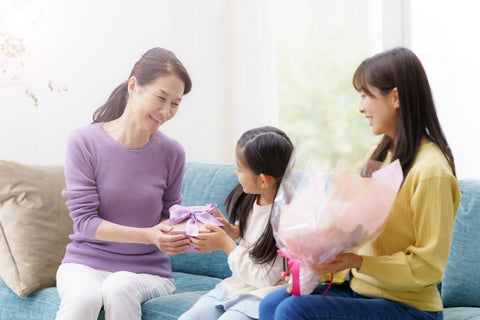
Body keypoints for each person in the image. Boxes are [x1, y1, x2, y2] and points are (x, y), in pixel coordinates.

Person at [259, 47, 461, 320]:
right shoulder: (379, 156)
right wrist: (320, 246)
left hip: (410, 307)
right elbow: (360, 233)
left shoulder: (431, 172)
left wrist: (358, 261)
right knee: (271, 305)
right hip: (362, 290)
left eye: (366, 95)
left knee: (293, 311)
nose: (361, 107)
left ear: (395, 97)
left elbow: (428, 268)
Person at [55, 47, 193, 320]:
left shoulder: (172, 152)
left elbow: (171, 216)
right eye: (161, 98)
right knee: (84, 298)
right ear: (134, 86)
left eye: (175, 104)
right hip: (85, 264)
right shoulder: (84, 142)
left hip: (148, 271)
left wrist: (185, 228)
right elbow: (84, 221)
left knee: (119, 287)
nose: (166, 112)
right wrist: (148, 235)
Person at [179, 126, 294, 320]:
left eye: (240, 168)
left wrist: (226, 244)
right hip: (237, 284)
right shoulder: (255, 196)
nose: (236, 172)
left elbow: (264, 278)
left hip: (265, 293)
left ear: (265, 180)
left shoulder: (288, 216)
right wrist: (230, 230)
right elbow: (256, 236)